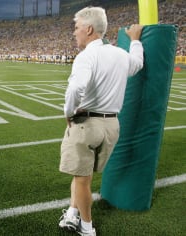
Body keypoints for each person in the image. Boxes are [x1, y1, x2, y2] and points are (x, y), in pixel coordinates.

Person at [58, 7, 144, 236]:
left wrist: (68, 112)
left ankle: (86, 227)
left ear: (88, 29)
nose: (74, 33)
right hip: (112, 126)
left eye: (76, 28)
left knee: (82, 179)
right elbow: (137, 63)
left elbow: (76, 87)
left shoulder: (87, 56)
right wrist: (135, 40)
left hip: (87, 124)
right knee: (82, 175)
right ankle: (72, 213)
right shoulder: (119, 54)